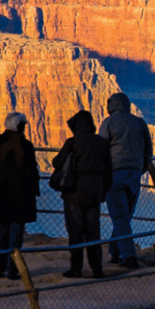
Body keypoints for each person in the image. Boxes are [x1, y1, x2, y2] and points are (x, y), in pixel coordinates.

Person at [52, 110, 112, 279]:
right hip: (95, 193)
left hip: (73, 193)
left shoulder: (72, 142)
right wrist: (103, 192)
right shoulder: (102, 143)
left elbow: (57, 162)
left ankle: (76, 269)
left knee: (76, 232)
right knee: (94, 232)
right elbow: (109, 172)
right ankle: (97, 269)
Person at [0, 112, 40, 280]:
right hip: (21, 196)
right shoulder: (25, 145)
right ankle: (13, 271)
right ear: (20, 126)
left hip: (1, 194)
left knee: (2, 230)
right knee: (16, 232)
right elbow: (31, 172)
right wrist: (34, 190)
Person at [99, 92, 153, 270]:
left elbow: (101, 149)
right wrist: (141, 169)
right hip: (135, 175)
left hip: (114, 175)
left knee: (120, 217)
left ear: (111, 106)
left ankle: (129, 258)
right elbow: (148, 151)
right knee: (125, 216)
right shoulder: (139, 123)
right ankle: (115, 252)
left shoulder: (108, 123)